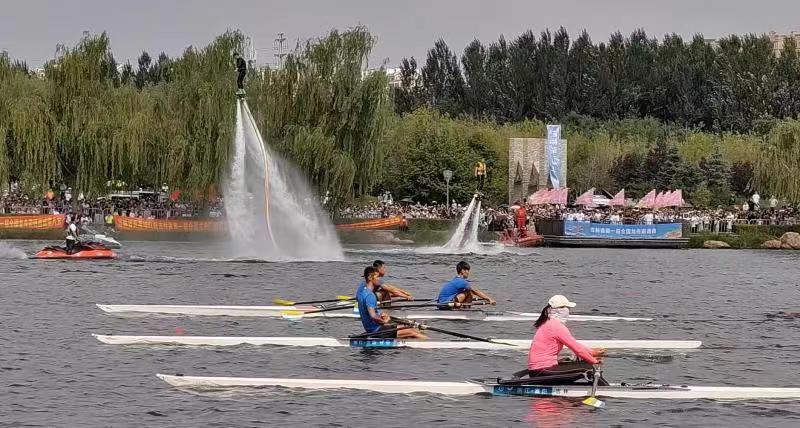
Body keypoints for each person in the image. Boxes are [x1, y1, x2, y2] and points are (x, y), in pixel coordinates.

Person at [514, 295, 607, 385]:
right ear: (561, 310)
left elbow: (574, 344)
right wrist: (594, 361)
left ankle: (599, 387)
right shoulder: (556, 327)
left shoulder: (548, 322)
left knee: (584, 364)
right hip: (542, 371)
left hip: (539, 370)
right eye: (568, 308)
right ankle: (605, 390)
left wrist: (592, 352)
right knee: (588, 369)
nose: (569, 311)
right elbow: (577, 350)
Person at [356, 266, 427, 339]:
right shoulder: (370, 296)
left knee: (409, 329)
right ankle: (431, 344)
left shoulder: (362, 293)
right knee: (413, 332)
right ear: (370, 278)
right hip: (377, 330)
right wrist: (385, 321)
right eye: (377, 277)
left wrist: (380, 314)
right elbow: (373, 316)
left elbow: (369, 312)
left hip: (372, 328)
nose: (378, 279)